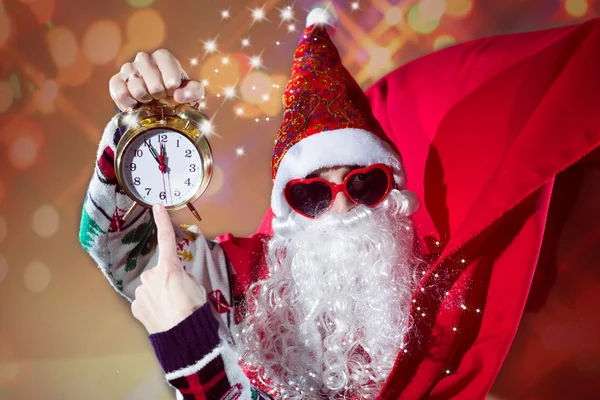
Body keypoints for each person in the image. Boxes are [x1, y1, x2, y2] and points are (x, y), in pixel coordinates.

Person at [79, 6, 600, 400]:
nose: (343, 211)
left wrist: (194, 352)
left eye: (364, 185)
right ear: (287, 211)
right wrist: (144, 127)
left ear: (394, 195)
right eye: (311, 193)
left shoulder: (433, 307)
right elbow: (122, 245)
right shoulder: (242, 283)